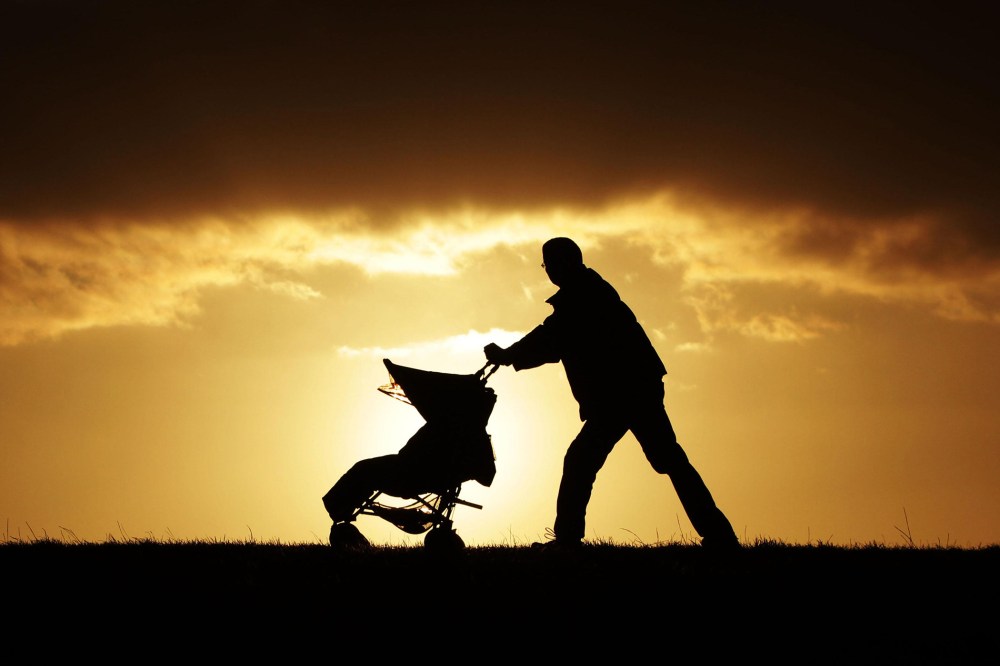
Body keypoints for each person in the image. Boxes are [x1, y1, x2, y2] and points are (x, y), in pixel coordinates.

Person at [484, 237, 740, 551]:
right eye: (546, 265)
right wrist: (512, 355)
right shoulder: (589, 291)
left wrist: (509, 354)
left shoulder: (583, 296)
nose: (549, 270)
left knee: (585, 460)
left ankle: (567, 540)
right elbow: (556, 338)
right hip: (633, 388)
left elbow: (554, 336)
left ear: (569, 262)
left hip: (622, 392)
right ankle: (719, 535)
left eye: (550, 264)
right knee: (666, 459)